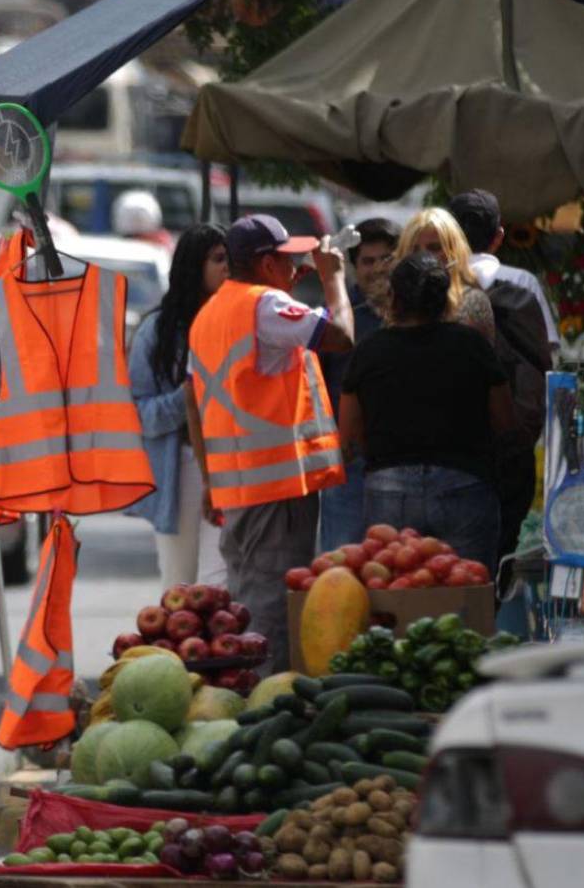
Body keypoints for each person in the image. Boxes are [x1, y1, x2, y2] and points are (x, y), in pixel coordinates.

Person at [185, 214, 355, 672]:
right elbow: (341, 336)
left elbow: (192, 400)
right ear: (265, 264)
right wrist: (333, 279)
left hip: (239, 487)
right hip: (277, 490)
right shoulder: (265, 306)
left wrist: (208, 480)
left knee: (246, 603)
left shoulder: (211, 313)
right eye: (287, 259)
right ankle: (264, 699)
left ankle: (244, 694)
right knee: (271, 610)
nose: (294, 266)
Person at [336, 253, 515, 575]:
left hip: (388, 489)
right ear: (446, 301)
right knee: (467, 593)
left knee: (394, 594)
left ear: (393, 298)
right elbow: (504, 420)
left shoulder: (369, 350)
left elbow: (348, 434)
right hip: (465, 486)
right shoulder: (472, 345)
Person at [448, 190, 553, 595]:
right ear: (499, 237)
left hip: (453, 444)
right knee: (500, 549)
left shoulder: (439, 284)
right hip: (511, 443)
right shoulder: (521, 284)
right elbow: (548, 356)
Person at [126, 224, 230, 587]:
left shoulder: (241, 319)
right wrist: (187, 397)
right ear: (194, 265)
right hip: (181, 468)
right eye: (218, 259)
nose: (228, 267)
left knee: (219, 583)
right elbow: (139, 416)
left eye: (231, 259)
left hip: (234, 464)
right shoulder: (157, 331)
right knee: (180, 586)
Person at [317, 218, 400, 550]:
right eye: (368, 261)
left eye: (386, 259)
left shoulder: (413, 312)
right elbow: (316, 386)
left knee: (395, 560)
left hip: (397, 459)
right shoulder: (338, 317)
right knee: (342, 560)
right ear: (353, 266)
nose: (378, 268)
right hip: (347, 462)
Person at [449, 189, 560, 355]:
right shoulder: (522, 280)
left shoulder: (441, 279)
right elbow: (546, 344)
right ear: (499, 236)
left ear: (447, 237)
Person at [397, 208, 496, 343]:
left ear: (454, 252)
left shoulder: (472, 301)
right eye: (414, 250)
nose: (424, 255)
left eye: (434, 248)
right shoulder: (394, 300)